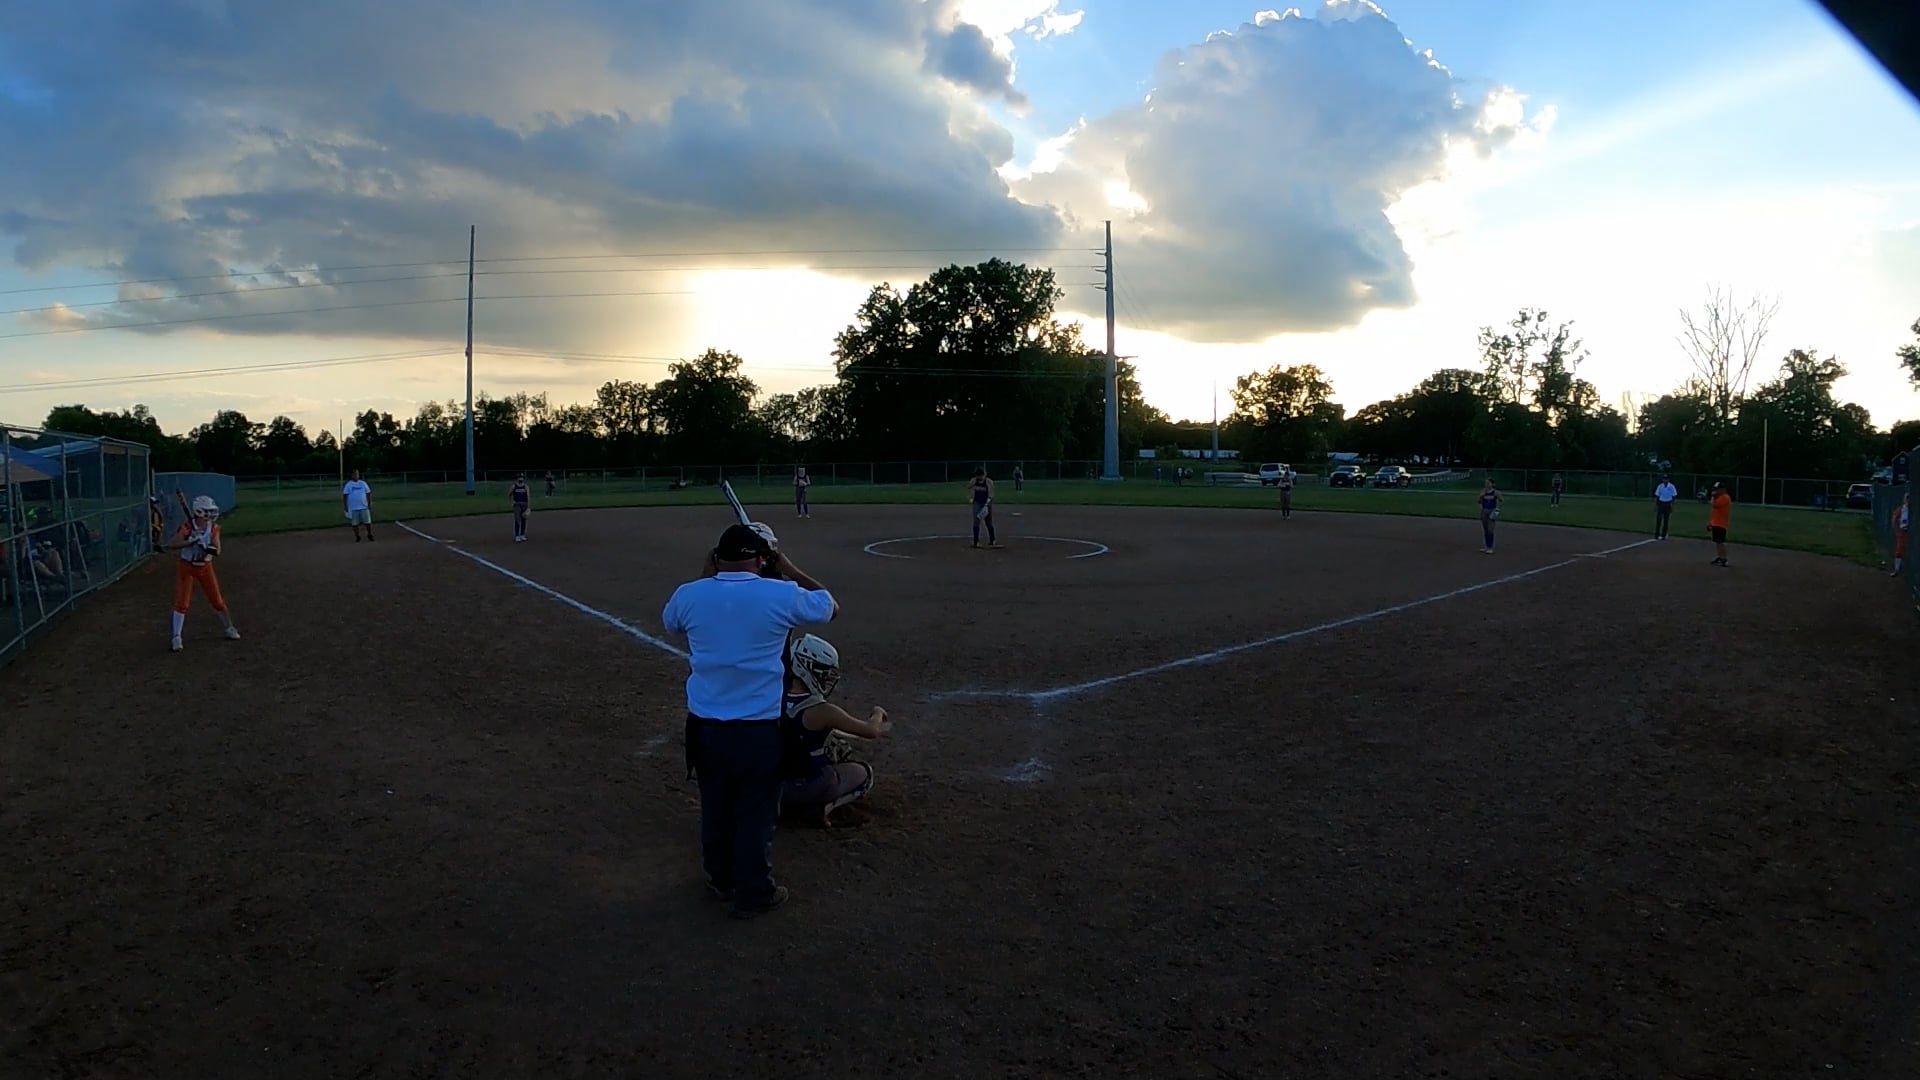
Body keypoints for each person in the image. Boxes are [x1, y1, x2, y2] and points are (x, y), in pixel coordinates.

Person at [662, 523, 838, 919]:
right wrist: (787, 568)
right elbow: (830, 605)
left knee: (716, 808)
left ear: (716, 557)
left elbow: (671, 622)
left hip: (705, 730)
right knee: (756, 814)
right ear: (761, 560)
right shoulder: (779, 593)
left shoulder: (690, 594)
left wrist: (709, 572)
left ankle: (720, 879)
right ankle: (754, 891)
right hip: (759, 731)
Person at [779, 634, 891, 826]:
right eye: (822, 672)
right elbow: (871, 731)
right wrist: (877, 713)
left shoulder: (772, 699)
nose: (826, 679)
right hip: (809, 785)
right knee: (864, 773)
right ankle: (823, 808)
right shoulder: (822, 710)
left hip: (773, 787)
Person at [168, 495, 240, 653]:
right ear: (199, 512)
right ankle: (176, 637)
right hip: (187, 567)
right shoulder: (187, 527)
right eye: (207, 511)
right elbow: (173, 544)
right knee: (182, 603)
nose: (210, 514)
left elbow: (217, 550)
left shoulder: (214, 528)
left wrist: (205, 547)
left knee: (217, 601)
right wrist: (190, 541)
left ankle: (229, 627)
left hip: (205, 567)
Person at [967, 467, 998, 548]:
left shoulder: (989, 482)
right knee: (976, 521)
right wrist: (972, 485)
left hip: (986, 503)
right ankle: (976, 541)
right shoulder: (974, 481)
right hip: (977, 503)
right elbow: (968, 487)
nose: (980, 477)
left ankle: (992, 540)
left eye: (981, 475)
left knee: (988, 522)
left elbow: (991, 495)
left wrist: (986, 505)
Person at [342, 469, 374, 542]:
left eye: (357, 474)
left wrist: (369, 503)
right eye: (355, 474)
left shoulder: (363, 483)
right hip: (353, 508)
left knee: (368, 522)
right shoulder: (348, 485)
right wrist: (345, 506)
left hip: (364, 506)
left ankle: (369, 534)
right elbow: (345, 496)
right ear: (352, 475)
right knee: (355, 524)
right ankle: (357, 536)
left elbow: (368, 493)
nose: (356, 475)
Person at [1708, 481, 1732, 567]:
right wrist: (1711, 523)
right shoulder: (1719, 497)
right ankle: (1720, 557)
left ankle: (1724, 559)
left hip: (1721, 523)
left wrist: (1713, 496)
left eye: (1717, 489)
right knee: (1717, 542)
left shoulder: (1725, 497)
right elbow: (1714, 512)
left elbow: (1714, 505)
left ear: (1722, 490)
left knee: (1721, 542)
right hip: (1716, 523)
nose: (1716, 491)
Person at [1478, 479, 1502, 554]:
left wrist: (1497, 510)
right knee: (1485, 529)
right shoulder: (1483, 491)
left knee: (1490, 530)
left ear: (1493, 484)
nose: (1487, 484)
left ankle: (1490, 547)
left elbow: (1501, 500)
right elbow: (1479, 502)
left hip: (1492, 510)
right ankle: (1486, 546)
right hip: (1484, 511)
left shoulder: (1496, 492)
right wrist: (1481, 496)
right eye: (1486, 483)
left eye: (1489, 483)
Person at [1891, 492, 1910, 576]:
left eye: (1909, 498)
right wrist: (1896, 530)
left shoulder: (1914, 509)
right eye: (1907, 498)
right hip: (1903, 531)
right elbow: (1894, 517)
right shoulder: (1902, 508)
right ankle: (1897, 569)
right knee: (1899, 551)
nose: (1908, 500)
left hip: (1911, 533)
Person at [1653, 475, 1678, 540]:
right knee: (1659, 519)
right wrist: (1656, 505)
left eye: (1666, 479)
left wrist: (1672, 505)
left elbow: (1674, 496)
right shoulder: (1660, 486)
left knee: (1666, 520)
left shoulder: (1672, 486)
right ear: (1662, 480)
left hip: (1668, 503)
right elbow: (1657, 496)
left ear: (1668, 480)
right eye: (1664, 479)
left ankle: (1664, 534)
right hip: (1661, 503)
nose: (1665, 480)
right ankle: (1657, 534)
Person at [510, 474, 531, 542]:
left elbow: (528, 496)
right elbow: (509, 494)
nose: (521, 479)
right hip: (517, 505)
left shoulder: (526, 486)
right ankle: (517, 535)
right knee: (517, 520)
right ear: (517, 478)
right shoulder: (514, 486)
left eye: (522, 477)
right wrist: (512, 501)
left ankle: (522, 534)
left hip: (524, 504)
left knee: (523, 520)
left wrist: (528, 506)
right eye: (519, 477)